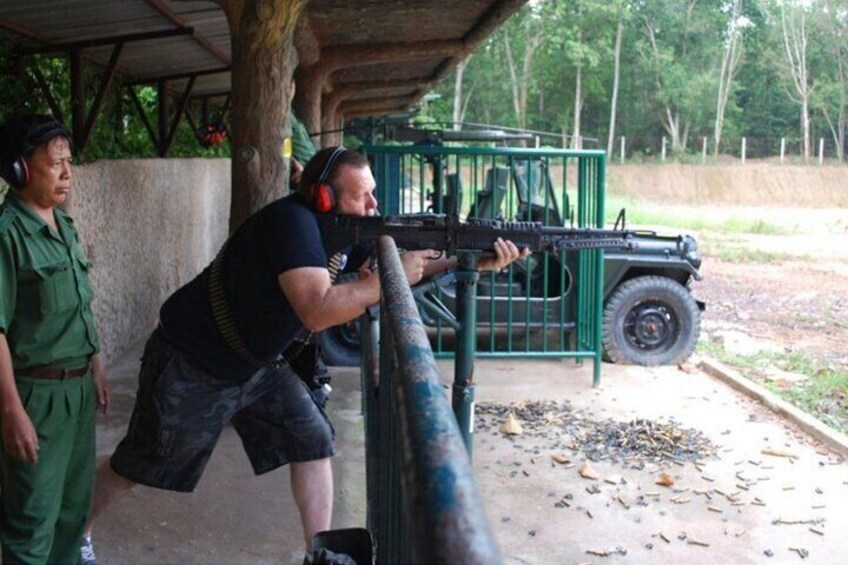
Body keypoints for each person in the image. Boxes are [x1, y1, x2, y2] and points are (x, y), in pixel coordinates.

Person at [81, 146, 526, 563]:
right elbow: (316, 310)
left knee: (312, 438)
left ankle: (319, 555)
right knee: (140, 462)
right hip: (193, 361)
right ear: (324, 198)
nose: (374, 205)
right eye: (363, 195)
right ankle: (73, 535)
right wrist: (380, 282)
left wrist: (470, 261)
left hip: (253, 363)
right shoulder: (292, 224)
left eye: (372, 193)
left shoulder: (339, 229)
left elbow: (401, 270)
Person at [0, 114, 110, 564]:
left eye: (69, 162)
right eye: (54, 163)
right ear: (20, 170)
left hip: (78, 391)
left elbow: (80, 305)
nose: (67, 173)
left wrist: (97, 368)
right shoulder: (7, 234)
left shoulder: (63, 226)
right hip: (35, 398)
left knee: (71, 513)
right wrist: (10, 411)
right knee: (32, 520)